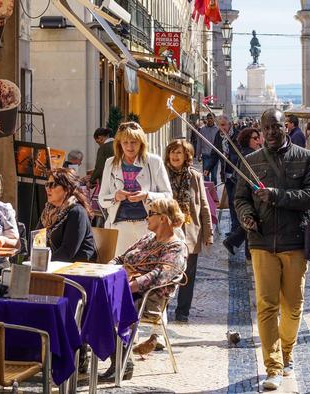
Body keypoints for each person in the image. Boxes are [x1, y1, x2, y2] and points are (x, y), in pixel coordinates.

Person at [234, 108, 310, 390]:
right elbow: (240, 198)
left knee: (293, 305)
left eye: (276, 127)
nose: (272, 132)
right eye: (267, 128)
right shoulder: (250, 161)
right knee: (266, 305)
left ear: (285, 127)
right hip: (262, 242)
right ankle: (272, 365)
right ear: (261, 131)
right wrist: (246, 215)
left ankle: (287, 352)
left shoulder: (307, 158)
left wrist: (278, 196)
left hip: (295, 241)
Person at [100, 197, 188, 382]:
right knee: (85, 301)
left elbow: (160, 275)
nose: (146, 217)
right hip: (126, 289)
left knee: (99, 306)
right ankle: (86, 360)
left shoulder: (176, 246)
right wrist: (107, 268)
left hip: (149, 299)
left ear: (163, 218)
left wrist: (131, 285)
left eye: (151, 214)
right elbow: (122, 258)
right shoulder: (148, 238)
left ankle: (123, 362)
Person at [98, 122, 172, 255]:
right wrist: (115, 196)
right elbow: (102, 200)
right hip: (119, 227)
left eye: (134, 142)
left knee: (146, 268)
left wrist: (146, 195)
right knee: (120, 269)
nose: (129, 147)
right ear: (119, 143)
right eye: (125, 142)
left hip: (148, 226)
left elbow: (168, 195)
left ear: (141, 143)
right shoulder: (110, 163)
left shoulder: (154, 162)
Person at [164, 139, 213, 322]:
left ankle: (183, 311)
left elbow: (205, 206)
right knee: (166, 271)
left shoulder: (195, 176)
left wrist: (208, 233)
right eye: (172, 152)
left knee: (188, 275)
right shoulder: (162, 174)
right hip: (167, 231)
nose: (175, 156)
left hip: (190, 231)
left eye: (179, 153)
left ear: (187, 156)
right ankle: (163, 308)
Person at [38, 168, 96, 262]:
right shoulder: (48, 212)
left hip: (76, 269)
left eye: (53, 185)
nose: (48, 189)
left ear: (67, 188)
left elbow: (67, 251)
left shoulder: (77, 212)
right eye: (47, 184)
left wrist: (43, 263)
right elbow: (37, 239)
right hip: (53, 265)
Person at [223, 127, 262, 259]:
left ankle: (233, 242)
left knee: (249, 221)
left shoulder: (250, 153)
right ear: (247, 140)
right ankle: (247, 253)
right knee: (250, 221)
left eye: (258, 138)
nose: (258, 141)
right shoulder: (248, 155)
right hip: (245, 193)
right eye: (255, 138)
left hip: (247, 192)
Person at [196, 113, 219, 183]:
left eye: (211, 118)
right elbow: (199, 142)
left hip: (214, 156)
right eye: (208, 118)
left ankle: (213, 192)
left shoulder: (218, 129)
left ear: (214, 119)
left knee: (214, 176)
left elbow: (220, 143)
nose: (210, 120)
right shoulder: (202, 129)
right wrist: (198, 154)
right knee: (206, 175)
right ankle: (207, 192)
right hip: (205, 154)